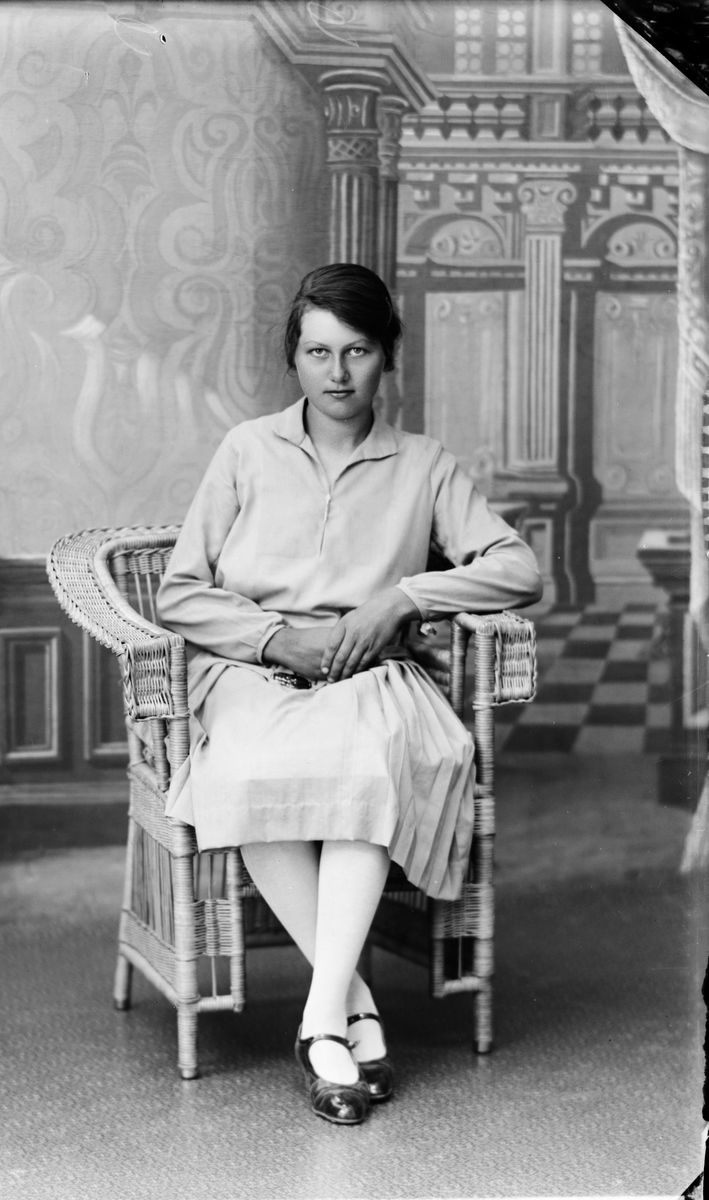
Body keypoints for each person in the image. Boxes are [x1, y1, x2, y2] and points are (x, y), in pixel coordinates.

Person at [156, 263, 542, 1125]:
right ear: (292, 358)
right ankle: (347, 1010)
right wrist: (273, 637)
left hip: (371, 674)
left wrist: (404, 597)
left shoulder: (423, 464)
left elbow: (518, 569)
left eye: (357, 351)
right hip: (251, 669)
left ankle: (319, 1023)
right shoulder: (246, 450)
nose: (336, 373)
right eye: (317, 352)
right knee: (247, 771)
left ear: (386, 357)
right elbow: (179, 593)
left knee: (367, 768)